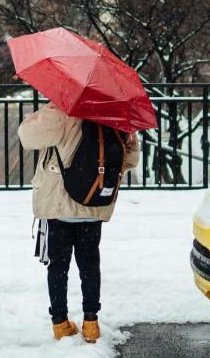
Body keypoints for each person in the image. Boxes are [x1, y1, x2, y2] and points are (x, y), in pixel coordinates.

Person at [18, 102, 140, 343]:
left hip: (59, 205)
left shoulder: (64, 112)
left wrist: (48, 109)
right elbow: (131, 159)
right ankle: (91, 323)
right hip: (93, 205)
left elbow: (26, 136)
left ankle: (60, 323)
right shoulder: (114, 113)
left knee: (58, 266)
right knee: (90, 265)